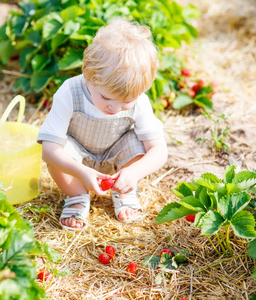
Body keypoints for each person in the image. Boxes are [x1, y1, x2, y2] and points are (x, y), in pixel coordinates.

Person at [37, 18, 168, 230]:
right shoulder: (70, 92)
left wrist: (135, 172)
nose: (114, 109)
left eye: (126, 102)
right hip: (77, 158)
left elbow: (159, 150)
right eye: (106, 98)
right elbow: (48, 151)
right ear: (88, 74)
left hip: (116, 157)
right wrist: (80, 172)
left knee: (137, 142)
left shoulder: (140, 100)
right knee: (57, 153)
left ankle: (124, 190)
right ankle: (77, 196)